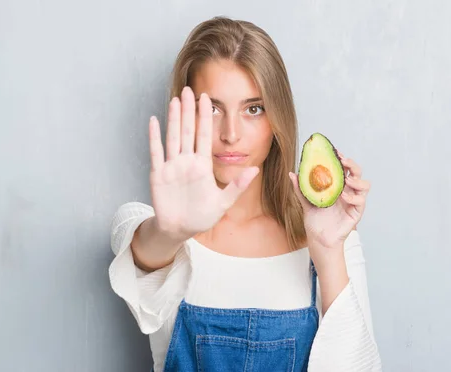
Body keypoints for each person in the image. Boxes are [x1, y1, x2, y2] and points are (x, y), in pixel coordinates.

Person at [109, 16, 382, 372]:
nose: (231, 134)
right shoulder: (156, 231)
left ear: (276, 120)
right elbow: (144, 253)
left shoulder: (331, 237)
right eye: (213, 108)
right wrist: (171, 232)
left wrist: (329, 250)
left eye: (253, 109)